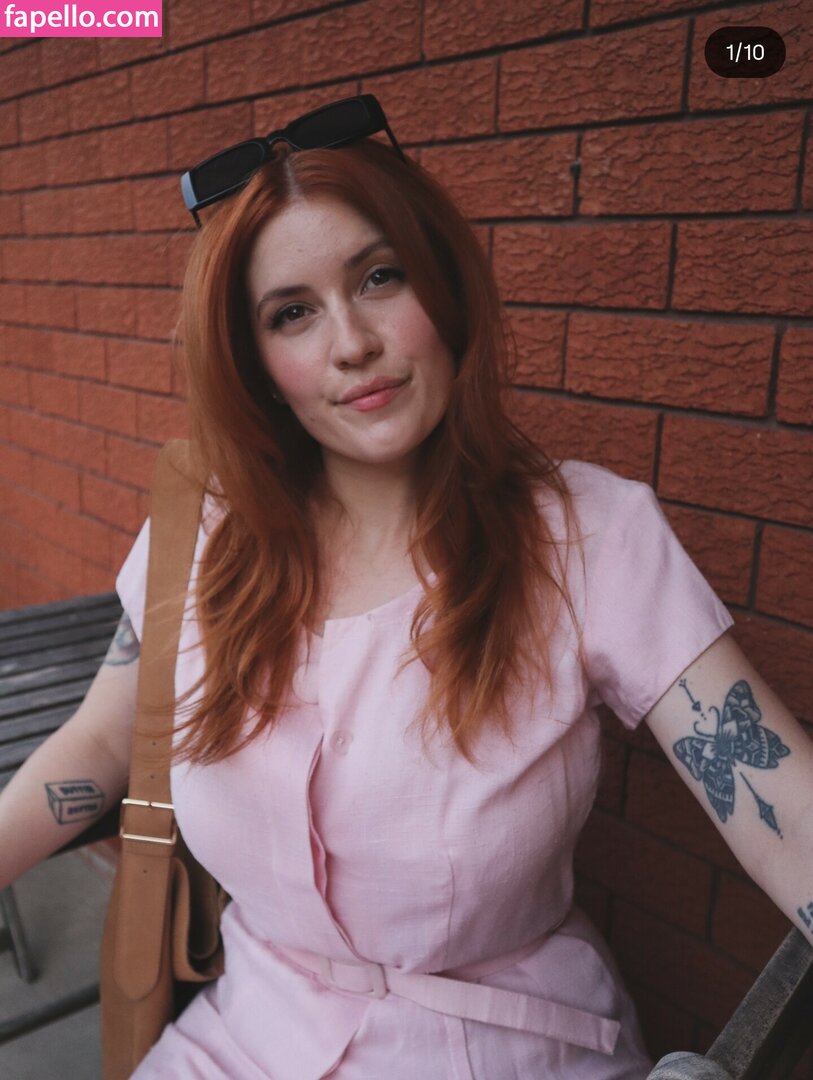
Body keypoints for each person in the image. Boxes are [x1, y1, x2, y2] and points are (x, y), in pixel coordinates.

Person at [1, 94, 811, 1080]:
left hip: (505, 1048)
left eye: (379, 277)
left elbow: (781, 806)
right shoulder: (203, 535)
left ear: (444, 289)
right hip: (241, 1034)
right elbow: (103, 740)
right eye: (292, 313)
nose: (351, 342)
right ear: (254, 362)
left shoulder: (590, 539)